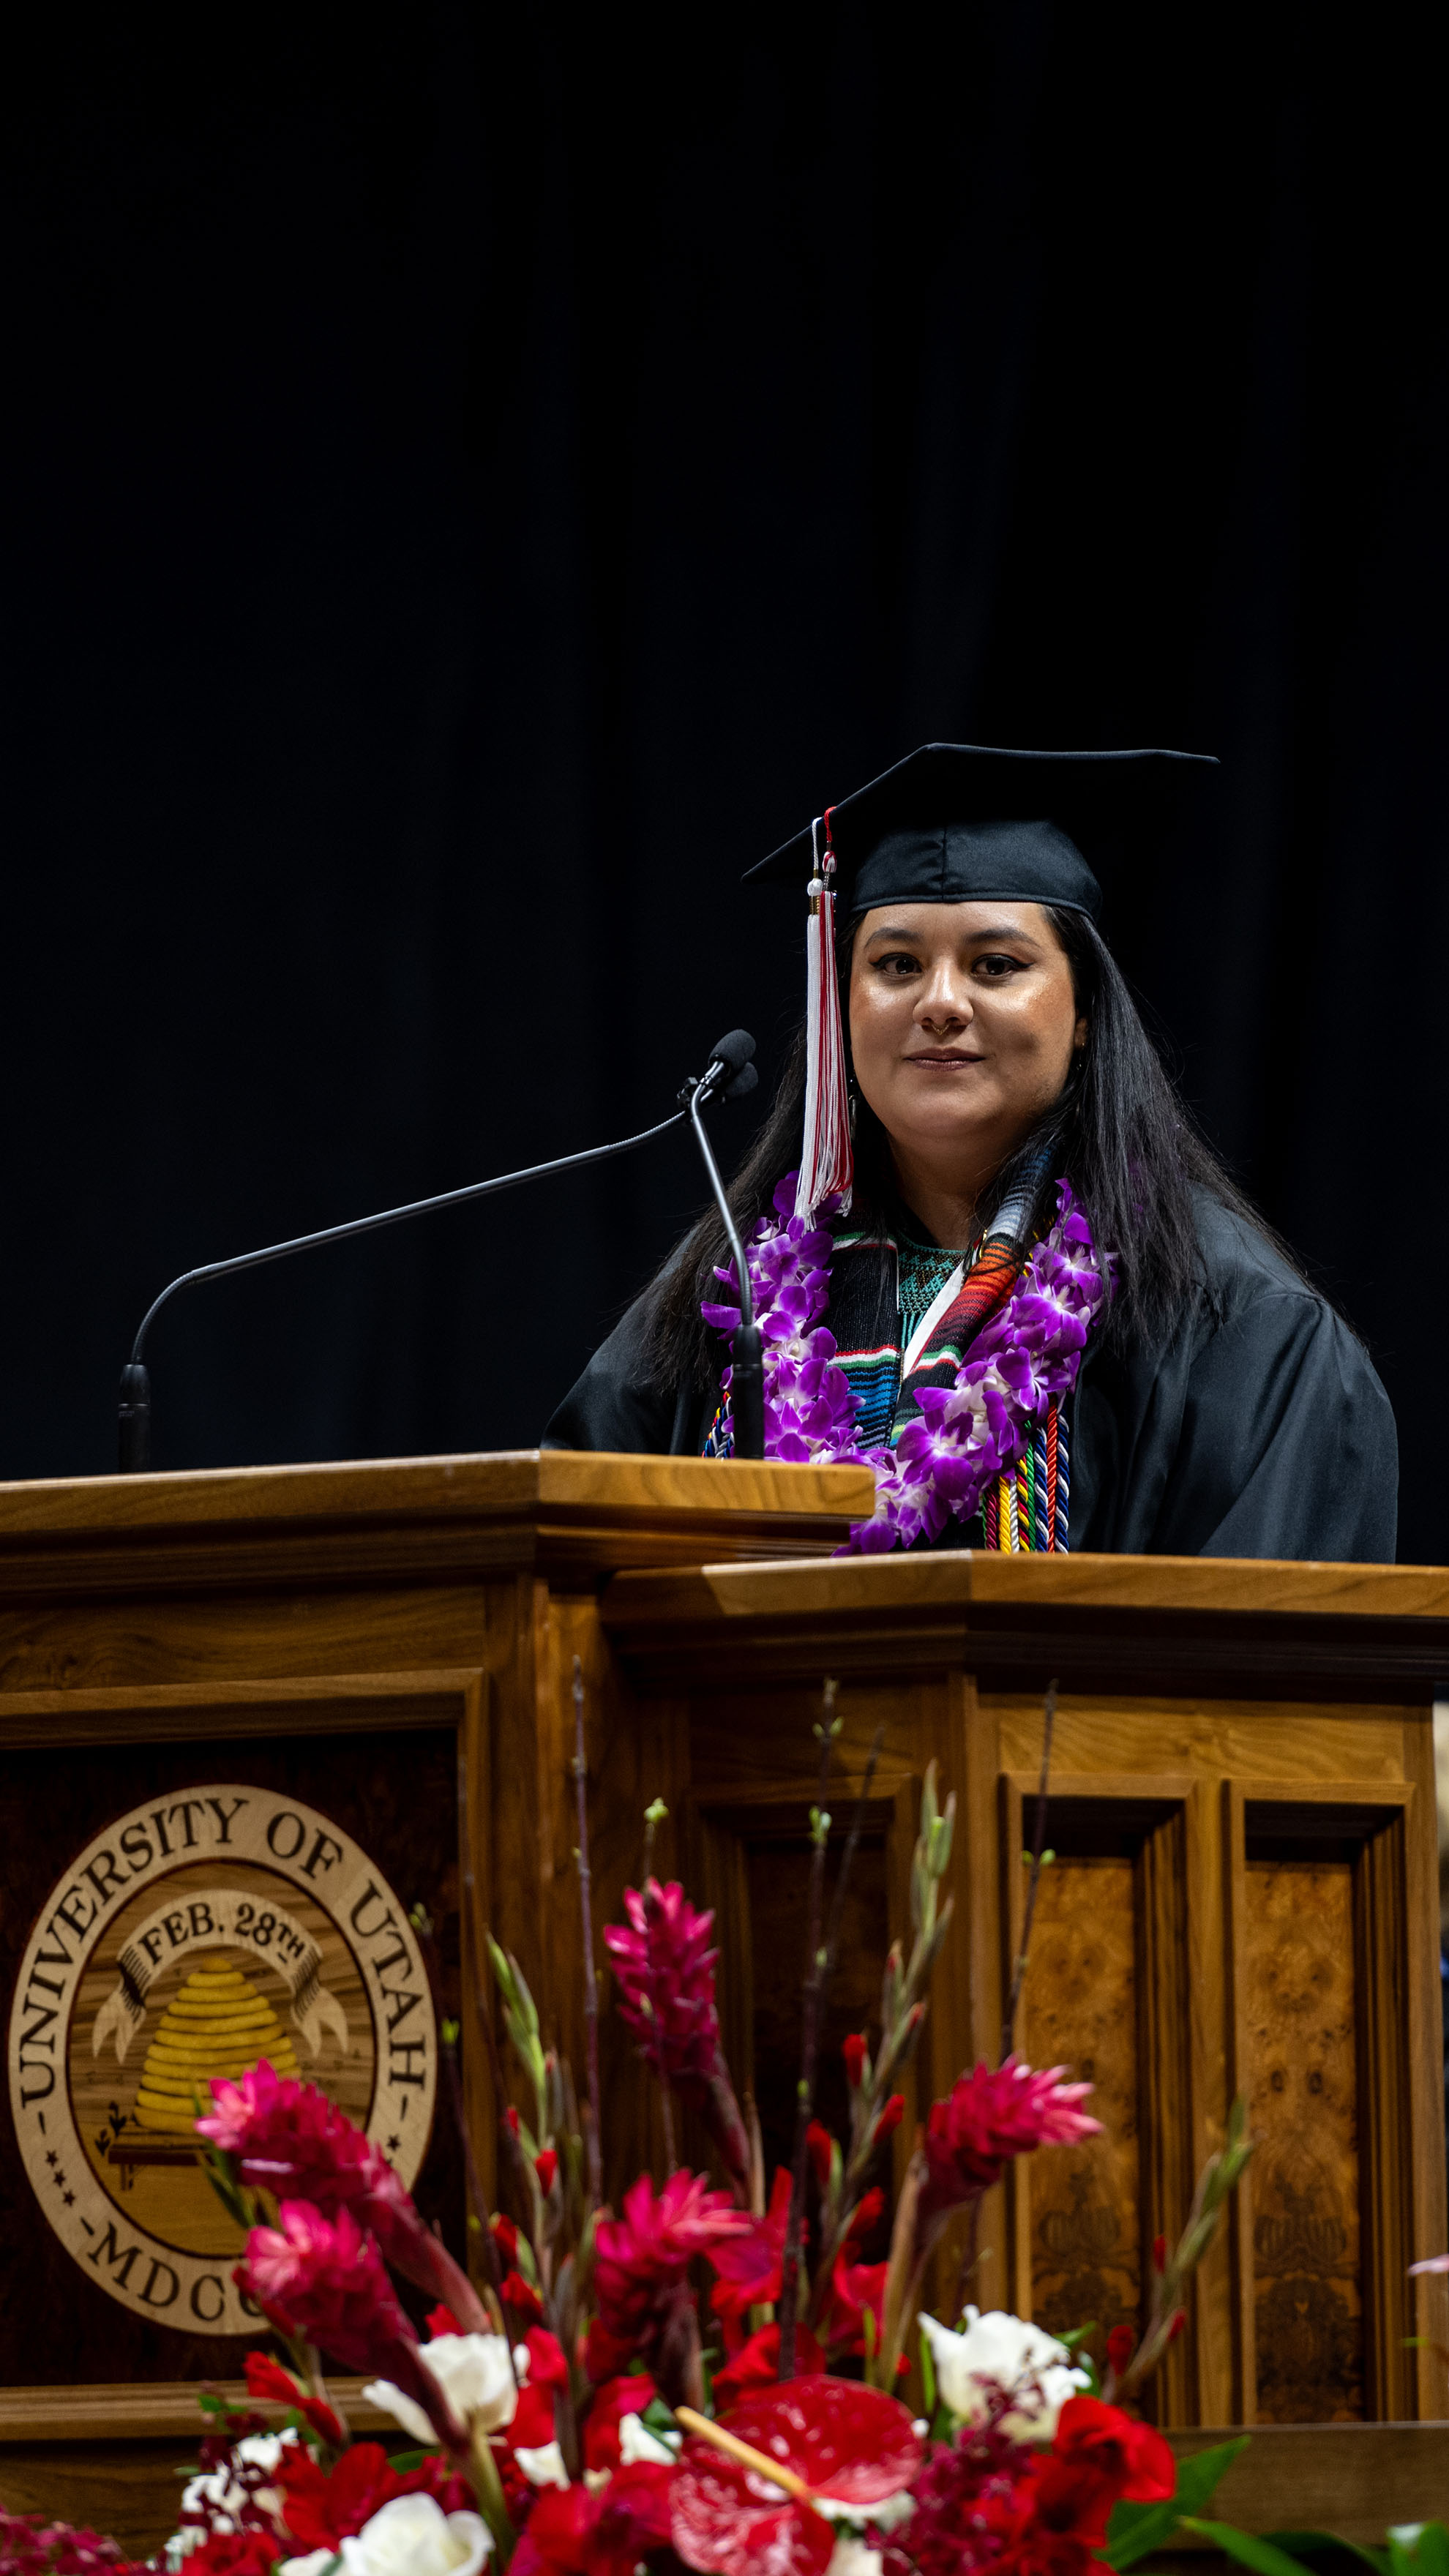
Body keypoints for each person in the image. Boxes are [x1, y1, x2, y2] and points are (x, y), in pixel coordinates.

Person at [544, 744, 1397, 1560]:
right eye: (896, 963)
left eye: (995, 964)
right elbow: (561, 1542)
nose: (940, 1002)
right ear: (841, 1005)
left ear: (1086, 1011)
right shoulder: (730, 1298)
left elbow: (1250, 1679)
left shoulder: (1232, 1323)